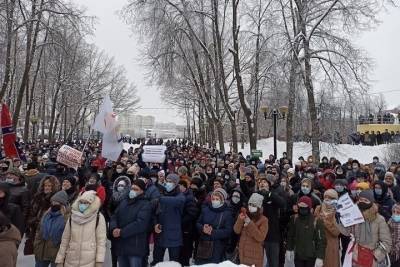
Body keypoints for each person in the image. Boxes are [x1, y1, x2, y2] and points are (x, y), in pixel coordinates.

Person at [338, 190, 392, 267]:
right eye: (360, 200)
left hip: (371, 258)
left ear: (371, 202)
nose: (362, 202)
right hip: (355, 255)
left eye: (366, 200)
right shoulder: (354, 215)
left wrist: (375, 255)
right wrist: (341, 219)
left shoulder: (379, 219)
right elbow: (346, 232)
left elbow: (387, 242)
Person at [55, 190, 107, 267]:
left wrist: (99, 261)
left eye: (85, 203)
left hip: (89, 262)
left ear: (91, 204)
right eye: (81, 202)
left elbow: (101, 242)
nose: (82, 205)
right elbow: (65, 240)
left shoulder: (98, 218)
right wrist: (60, 259)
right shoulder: (72, 217)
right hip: (70, 261)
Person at [110, 179, 152, 267]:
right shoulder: (124, 202)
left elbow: (140, 224)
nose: (133, 191)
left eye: (136, 189)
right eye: (132, 188)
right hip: (121, 245)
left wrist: (121, 232)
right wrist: (114, 228)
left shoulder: (146, 204)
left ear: (142, 191)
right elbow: (114, 216)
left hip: (135, 247)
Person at [152, 173, 185, 266]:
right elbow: (155, 214)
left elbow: (178, 201)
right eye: (167, 181)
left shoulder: (180, 196)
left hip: (174, 236)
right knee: (157, 262)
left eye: (170, 182)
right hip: (160, 234)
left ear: (176, 184)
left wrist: (160, 199)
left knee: (173, 263)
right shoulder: (161, 193)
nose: (167, 183)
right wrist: (155, 224)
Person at [195, 188, 233, 264]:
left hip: (217, 246)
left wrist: (212, 232)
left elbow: (228, 231)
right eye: (213, 199)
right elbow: (198, 223)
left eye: (217, 199)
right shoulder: (205, 210)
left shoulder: (227, 213)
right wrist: (203, 228)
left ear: (222, 200)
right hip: (203, 244)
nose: (214, 201)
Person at [286, 196, 326, 267]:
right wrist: (289, 249)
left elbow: (321, 240)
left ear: (309, 207)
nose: (302, 208)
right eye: (300, 206)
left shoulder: (316, 221)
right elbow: (290, 235)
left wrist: (320, 257)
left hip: (311, 255)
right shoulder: (294, 219)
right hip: (298, 255)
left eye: (305, 206)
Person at [33, 190, 70, 267]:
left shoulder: (67, 217)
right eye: (52, 202)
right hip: (42, 251)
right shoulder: (46, 214)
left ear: (62, 204)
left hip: (56, 253)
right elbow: (39, 230)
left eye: (56, 202)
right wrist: (36, 244)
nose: (53, 204)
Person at [26, 175, 61, 255]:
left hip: (49, 232)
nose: (47, 187)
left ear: (54, 187)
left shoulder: (56, 199)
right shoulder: (37, 196)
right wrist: (32, 222)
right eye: (45, 185)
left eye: (49, 186)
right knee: (38, 254)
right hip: (36, 229)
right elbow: (31, 211)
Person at [234, 193, 268, 267]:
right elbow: (236, 230)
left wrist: (249, 223)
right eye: (250, 204)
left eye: (254, 205)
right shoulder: (245, 215)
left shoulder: (264, 220)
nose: (251, 207)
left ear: (259, 207)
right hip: (242, 254)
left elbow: (260, 237)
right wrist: (240, 220)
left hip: (254, 257)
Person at [314, 189, 340, 267]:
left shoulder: (338, 212)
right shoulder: (318, 209)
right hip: (318, 243)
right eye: (326, 197)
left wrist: (325, 221)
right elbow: (314, 226)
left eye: (331, 198)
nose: (327, 199)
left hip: (331, 245)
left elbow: (336, 232)